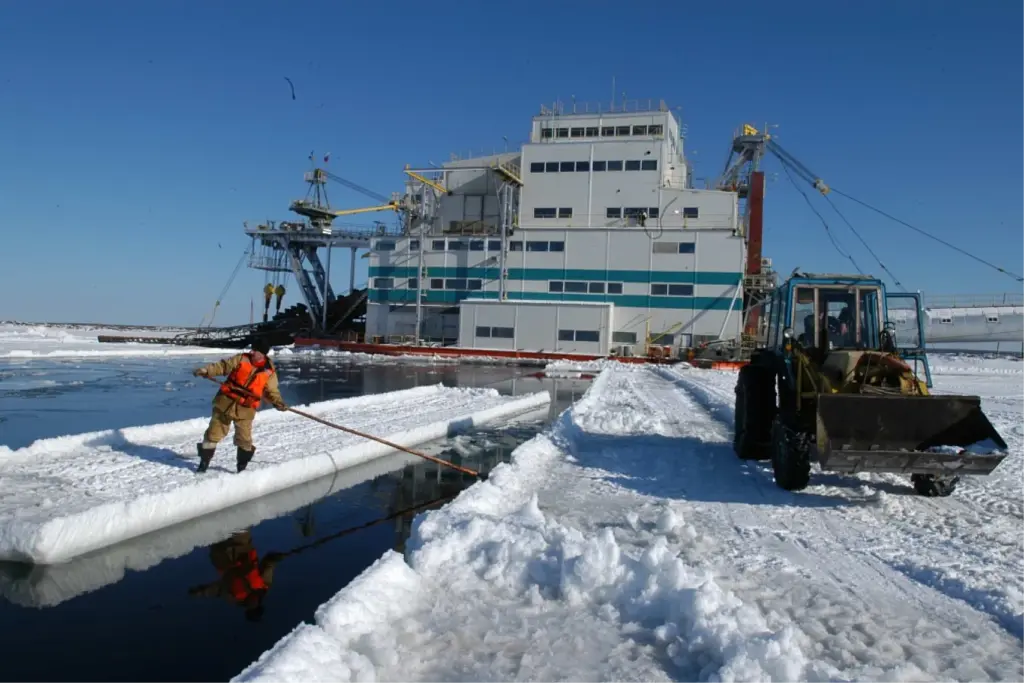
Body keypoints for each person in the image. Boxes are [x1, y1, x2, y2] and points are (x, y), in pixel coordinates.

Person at [191, 338, 287, 474]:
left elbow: (272, 391)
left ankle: (241, 469)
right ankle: (203, 464)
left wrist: (278, 402)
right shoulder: (241, 359)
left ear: (263, 354)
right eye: (252, 349)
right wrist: (206, 370)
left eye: (256, 350)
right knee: (213, 434)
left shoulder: (269, 371)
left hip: (246, 409)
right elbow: (222, 366)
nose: (252, 352)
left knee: (244, 440)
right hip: (224, 403)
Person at [187, 530, 285, 622]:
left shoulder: (234, 597)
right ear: (259, 604)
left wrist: (200, 592)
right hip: (238, 546)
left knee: (215, 527)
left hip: (223, 552)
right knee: (238, 523)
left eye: (251, 608)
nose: (252, 605)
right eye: (255, 607)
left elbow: (217, 590)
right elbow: (269, 562)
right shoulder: (263, 585)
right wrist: (278, 557)